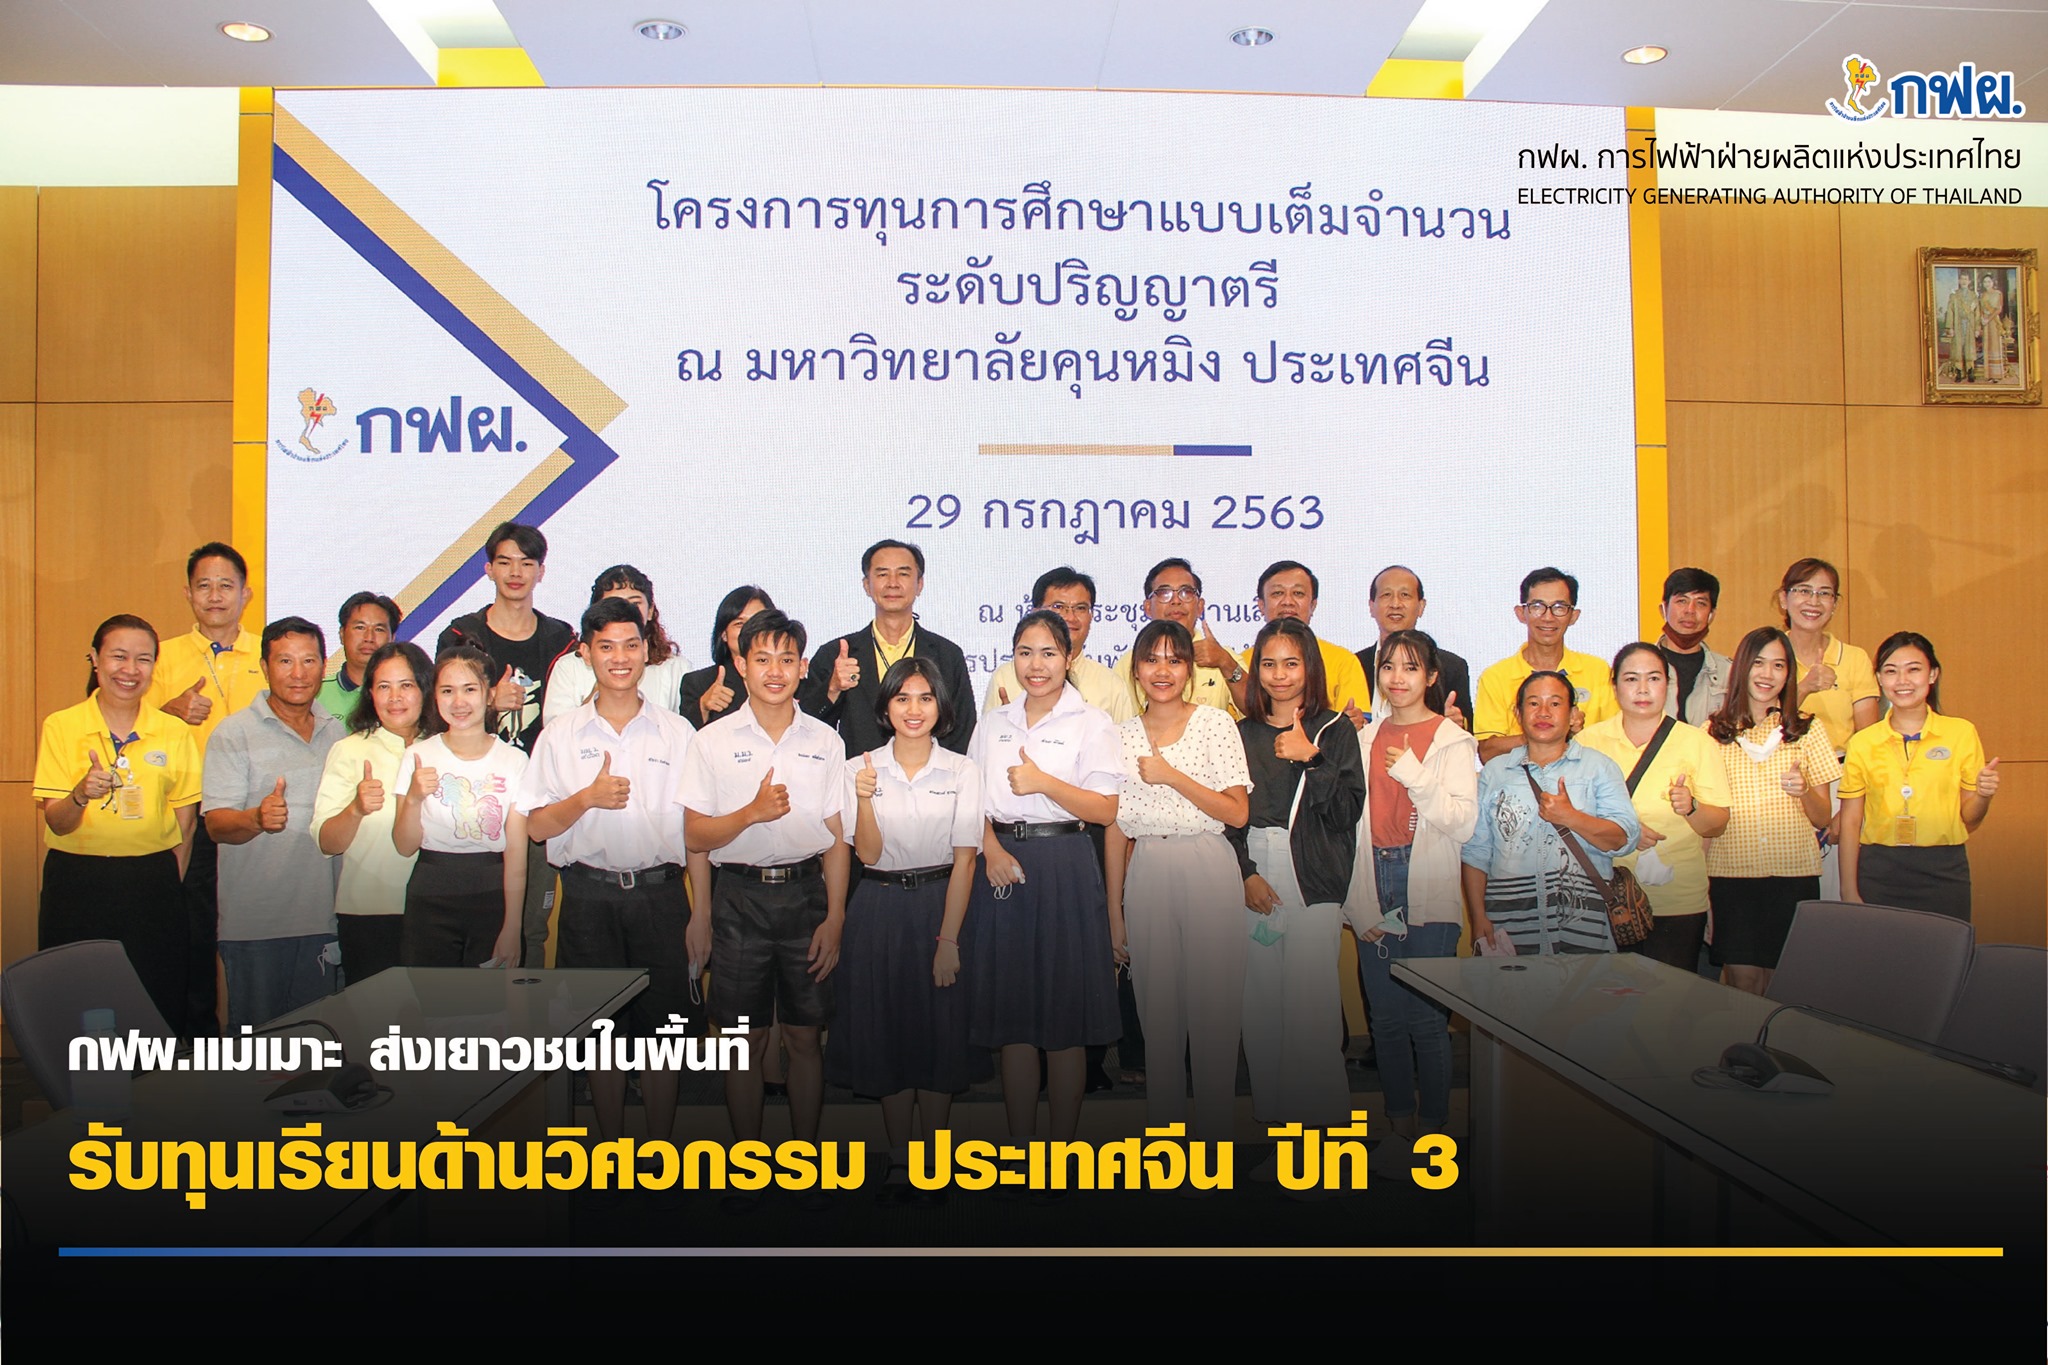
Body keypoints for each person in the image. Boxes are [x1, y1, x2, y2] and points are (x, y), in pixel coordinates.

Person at [518, 597, 696, 1140]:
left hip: (661, 897)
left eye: (630, 645)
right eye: (606, 647)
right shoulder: (560, 735)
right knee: (601, 1038)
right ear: (586, 653)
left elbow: (696, 832)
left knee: (663, 1039)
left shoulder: (677, 733)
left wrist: (703, 914)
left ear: (646, 651)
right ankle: (611, 1152)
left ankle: (660, 1153)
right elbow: (537, 827)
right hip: (588, 899)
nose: (620, 658)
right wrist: (586, 799)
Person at [680, 609, 850, 1158]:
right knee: (742, 1044)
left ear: (803, 667)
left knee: (804, 1038)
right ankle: (748, 1164)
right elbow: (695, 834)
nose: (775, 671)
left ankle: (804, 1162)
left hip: (806, 898)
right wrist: (750, 813)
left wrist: (836, 917)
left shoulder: (825, 741)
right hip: (738, 899)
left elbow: (837, 839)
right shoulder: (710, 741)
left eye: (786, 659)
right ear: (741, 665)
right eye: (762, 659)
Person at [969, 609, 1123, 1148]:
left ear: (1069, 657)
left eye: (1049, 653)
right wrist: (990, 848)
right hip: (1003, 865)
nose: (1036, 665)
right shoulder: (994, 723)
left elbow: (1105, 810)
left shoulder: (1092, 723)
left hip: (1064, 865)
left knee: (1064, 1023)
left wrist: (1043, 782)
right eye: (1025, 653)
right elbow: (970, 802)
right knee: (1013, 1025)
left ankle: (1060, 1151)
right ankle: (1020, 1149)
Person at [831, 657, 982, 1200]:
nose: (913, 710)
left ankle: (934, 1158)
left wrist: (948, 941)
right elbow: (867, 854)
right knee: (887, 1032)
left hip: (943, 904)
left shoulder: (963, 770)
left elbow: (965, 859)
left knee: (941, 1032)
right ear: (886, 706)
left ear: (941, 706)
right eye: (902, 698)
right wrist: (865, 799)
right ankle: (899, 1155)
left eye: (924, 698)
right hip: (879, 907)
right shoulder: (858, 768)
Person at [1105, 620, 1250, 1142]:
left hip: (1207, 863)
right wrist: (1115, 912)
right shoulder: (1119, 737)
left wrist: (1172, 775)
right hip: (1148, 867)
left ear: (1190, 669)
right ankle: (1166, 1147)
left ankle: (1214, 1144)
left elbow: (1237, 812)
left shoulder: (1215, 724)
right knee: (1157, 1015)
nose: (1162, 670)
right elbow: (1116, 828)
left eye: (1174, 659)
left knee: (1214, 1013)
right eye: (1151, 660)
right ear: (1135, 670)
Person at [1227, 618, 1366, 1132]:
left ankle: (1321, 1139)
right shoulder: (1239, 732)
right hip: (1253, 874)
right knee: (1261, 1012)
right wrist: (1245, 874)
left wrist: (1312, 758)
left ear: (1310, 667)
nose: (1279, 675)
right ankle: (1280, 1130)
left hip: (1313, 876)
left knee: (1312, 1012)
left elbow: (1346, 812)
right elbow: (1226, 817)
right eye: (1268, 664)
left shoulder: (1334, 729)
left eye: (1291, 663)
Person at [35, 615, 200, 1030]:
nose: (130, 670)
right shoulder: (61, 725)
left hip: (152, 883)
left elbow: (186, 824)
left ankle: (149, 1074)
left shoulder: (174, 732)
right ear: (95, 659)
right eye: (118, 656)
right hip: (77, 882)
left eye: (143, 659)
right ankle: (84, 1076)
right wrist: (79, 794)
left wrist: (166, 881)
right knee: (77, 1001)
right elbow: (58, 822)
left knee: (154, 1000)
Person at [1350, 629, 1477, 1157]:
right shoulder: (1361, 739)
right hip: (1373, 880)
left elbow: (1462, 823)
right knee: (1385, 1020)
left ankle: (1433, 1133)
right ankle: (1399, 1129)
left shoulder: (1452, 740)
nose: (1397, 678)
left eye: (1410, 667)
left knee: (1427, 1020)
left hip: (1427, 883)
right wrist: (1357, 904)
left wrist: (1413, 774)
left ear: (1431, 676)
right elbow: (1350, 829)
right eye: (1388, 667)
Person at [437, 521, 574, 968]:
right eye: (505, 562)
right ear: (488, 570)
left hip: (538, 798)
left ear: (541, 572)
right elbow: (439, 708)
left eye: (527, 563)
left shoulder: (563, 640)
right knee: (474, 923)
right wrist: (488, 700)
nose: (516, 573)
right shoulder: (460, 637)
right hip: (475, 795)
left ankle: (527, 1010)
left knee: (531, 927)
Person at [142, 542, 264, 1035]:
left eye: (226, 585)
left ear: (246, 594)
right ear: (188, 594)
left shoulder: (270, 653)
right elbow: (127, 726)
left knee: (256, 925)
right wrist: (167, 711)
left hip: (255, 812)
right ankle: (196, 1042)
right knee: (192, 930)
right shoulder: (162, 656)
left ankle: (261, 1036)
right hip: (188, 812)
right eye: (204, 586)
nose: (215, 596)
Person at [202, 616, 347, 1028]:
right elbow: (216, 825)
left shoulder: (338, 734)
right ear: (265, 667)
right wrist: (256, 818)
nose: (298, 673)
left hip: (324, 921)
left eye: (309, 661)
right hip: (257, 926)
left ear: (324, 666)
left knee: (318, 1047)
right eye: (285, 661)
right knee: (258, 1052)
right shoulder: (233, 733)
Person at [1704, 627, 1841, 995]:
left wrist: (1804, 791)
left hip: (1793, 875)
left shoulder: (1807, 729)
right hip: (1732, 875)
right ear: (1742, 667)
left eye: (1779, 665)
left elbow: (1823, 817)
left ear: (1789, 674)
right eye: (1759, 663)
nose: (1767, 674)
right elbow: (1707, 822)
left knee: (1783, 983)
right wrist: (1703, 890)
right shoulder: (1712, 733)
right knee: (1743, 983)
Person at [1579, 643, 1733, 971]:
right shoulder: (1587, 743)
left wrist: (1691, 807)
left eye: (1653, 678)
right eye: (1631, 679)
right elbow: (1570, 817)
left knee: (1670, 996)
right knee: (1606, 994)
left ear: (1668, 684)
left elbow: (1718, 823)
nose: (1643, 689)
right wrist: (1624, 830)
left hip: (1676, 899)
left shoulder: (1697, 742)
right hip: (1604, 894)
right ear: (1614, 685)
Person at [1463, 671, 1639, 955]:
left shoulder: (1599, 768)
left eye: (1555, 704)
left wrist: (1571, 817)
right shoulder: (1495, 773)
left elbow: (1623, 838)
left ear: (1573, 715)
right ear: (1518, 714)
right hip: (1509, 927)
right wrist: (1477, 916)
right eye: (1533, 703)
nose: (1543, 712)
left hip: (1585, 927)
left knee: (1584, 985)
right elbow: (1476, 852)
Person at [1839, 632, 1999, 921]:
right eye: (1891, 671)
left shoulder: (1960, 733)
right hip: (1879, 869)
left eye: (1913, 669)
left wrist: (1983, 795)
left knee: (1943, 949)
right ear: (1879, 679)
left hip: (1943, 869)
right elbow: (1850, 822)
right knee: (1882, 949)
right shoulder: (1862, 742)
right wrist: (1848, 889)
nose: (1902, 680)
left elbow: (1970, 819)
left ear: (1932, 674)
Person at [392, 645, 528, 971]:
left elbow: (516, 852)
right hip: (431, 892)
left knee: (490, 1001)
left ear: (490, 694)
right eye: (447, 691)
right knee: (431, 1000)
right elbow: (404, 845)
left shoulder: (514, 760)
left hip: (492, 892)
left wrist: (512, 926)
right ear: (434, 696)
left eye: (469, 690)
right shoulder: (417, 755)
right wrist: (413, 798)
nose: (458, 702)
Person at [312, 640, 432, 986]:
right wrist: (356, 809)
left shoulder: (445, 748)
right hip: (370, 914)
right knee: (373, 1015)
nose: (395, 698)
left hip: (437, 911)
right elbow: (326, 842)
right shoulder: (349, 750)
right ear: (370, 694)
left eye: (406, 685)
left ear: (425, 688)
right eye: (383, 687)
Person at [801, 539, 977, 758]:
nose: (893, 583)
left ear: (919, 584)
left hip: (930, 776)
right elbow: (807, 728)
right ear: (867, 585)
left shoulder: (947, 655)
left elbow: (962, 731)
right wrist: (832, 688)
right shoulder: (835, 654)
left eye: (903, 574)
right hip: (860, 775)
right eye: (882, 574)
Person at [1776, 556, 1877, 897]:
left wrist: (1846, 810)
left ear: (1835, 603)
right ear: (1784, 599)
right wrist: (1804, 688)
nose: (1813, 601)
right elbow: (1756, 725)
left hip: (1839, 782)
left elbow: (1868, 742)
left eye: (1824, 593)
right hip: (1778, 783)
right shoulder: (1767, 655)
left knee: (1835, 894)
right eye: (1803, 591)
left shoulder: (1854, 658)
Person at [1473, 568, 1619, 763]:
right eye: (1537, 606)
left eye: (1559, 607)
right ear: (1521, 613)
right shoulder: (1496, 677)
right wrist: (1544, 733)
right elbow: (1487, 753)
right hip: (1518, 780)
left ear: (1574, 616)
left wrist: (1578, 735)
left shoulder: (1598, 671)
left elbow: (1616, 742)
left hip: (1586, 779)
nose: (1548, 617)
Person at [541, 564, 693, 726]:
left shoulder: (676, 667)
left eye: (635, 604)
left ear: (650, 611)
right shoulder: (569, 666)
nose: (624, 611)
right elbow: (556, 730)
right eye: (613, 603)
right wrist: (599, 696)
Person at [1222, 560, 1370, 722]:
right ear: (1261, 605)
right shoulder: (1240, 663)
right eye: (1277, 593)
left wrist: (1352, 724)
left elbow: (1357, 719)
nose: (1288, 601)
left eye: (1298, 593)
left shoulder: (1343, 661)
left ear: (1313, 605)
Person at [981, 566, 1133, 720]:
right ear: (1035, 612)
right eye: (1059, 607)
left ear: (1092, 615)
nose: (1070, 617)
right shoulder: (1004, 677)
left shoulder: (1111, 684)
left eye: (1080, 608)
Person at [1112, 558, 1238, 714]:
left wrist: (1226, 663)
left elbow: (1258, 712)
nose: (1176, 601)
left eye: (1186, 592)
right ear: (1147, 608)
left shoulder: (1224, 657)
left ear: (1200, 607)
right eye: (1165, 593)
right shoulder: (1128, 662)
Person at [1355, 565, 1472, 731]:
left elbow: (1469, 731)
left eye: (1405, 595)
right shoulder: (1354, 664)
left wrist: (1458, 724)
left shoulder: (1451, 666)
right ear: (1371, 606)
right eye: (1386, 595)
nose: (1395, 604)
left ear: (1421, 606)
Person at [677, 585, 774, 729]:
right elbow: (682, 737)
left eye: (757, 622)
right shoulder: (699, 683)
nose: (750, 630)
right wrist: (703, 707)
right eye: (739, 623)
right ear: (724, 634)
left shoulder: (791, 679)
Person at [1656, 568, 1730, 726]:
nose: (1690, 610)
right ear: (1663, 609)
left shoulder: (1729, 673)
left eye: (1701, 603)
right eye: (1681, 601)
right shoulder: (1637, 668)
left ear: (1711, 615)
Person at [316, 591, 400, 721]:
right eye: (360, 627)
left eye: (379, 629)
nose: (369, 638)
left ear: (392, 638)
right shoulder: (316, 695)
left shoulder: (405, 696)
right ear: (342, 634)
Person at [1943, 269, 1978, 381]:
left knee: (1969, 348)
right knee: (1958, 349)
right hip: (1957, 325)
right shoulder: (1954, 296)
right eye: (1962, 279)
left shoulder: (1973, 296)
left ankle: (1970, 371)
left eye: (1966, 279)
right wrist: (1950, 327)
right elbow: (1950, 311)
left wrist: (1977, 328)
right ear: (1959, 281)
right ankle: (1959, 372)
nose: (1964, 281)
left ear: (1969, 281)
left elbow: (1977, 313)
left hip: (1969, 325)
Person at [1979, 272, 2008, 382]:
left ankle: (1997, 375)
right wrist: (1982, 318)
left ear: (1993, 282)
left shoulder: (1998, 293)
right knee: (1987, 346)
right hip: (1985, 323)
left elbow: (1999, 309)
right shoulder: (1983, 295)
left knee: (1995, 346)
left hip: (1994, 322)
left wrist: (1988, 319)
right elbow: (1981, 309)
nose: (1987, 284)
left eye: (1989, 281)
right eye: (1985, 282)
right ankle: (1989, 374)